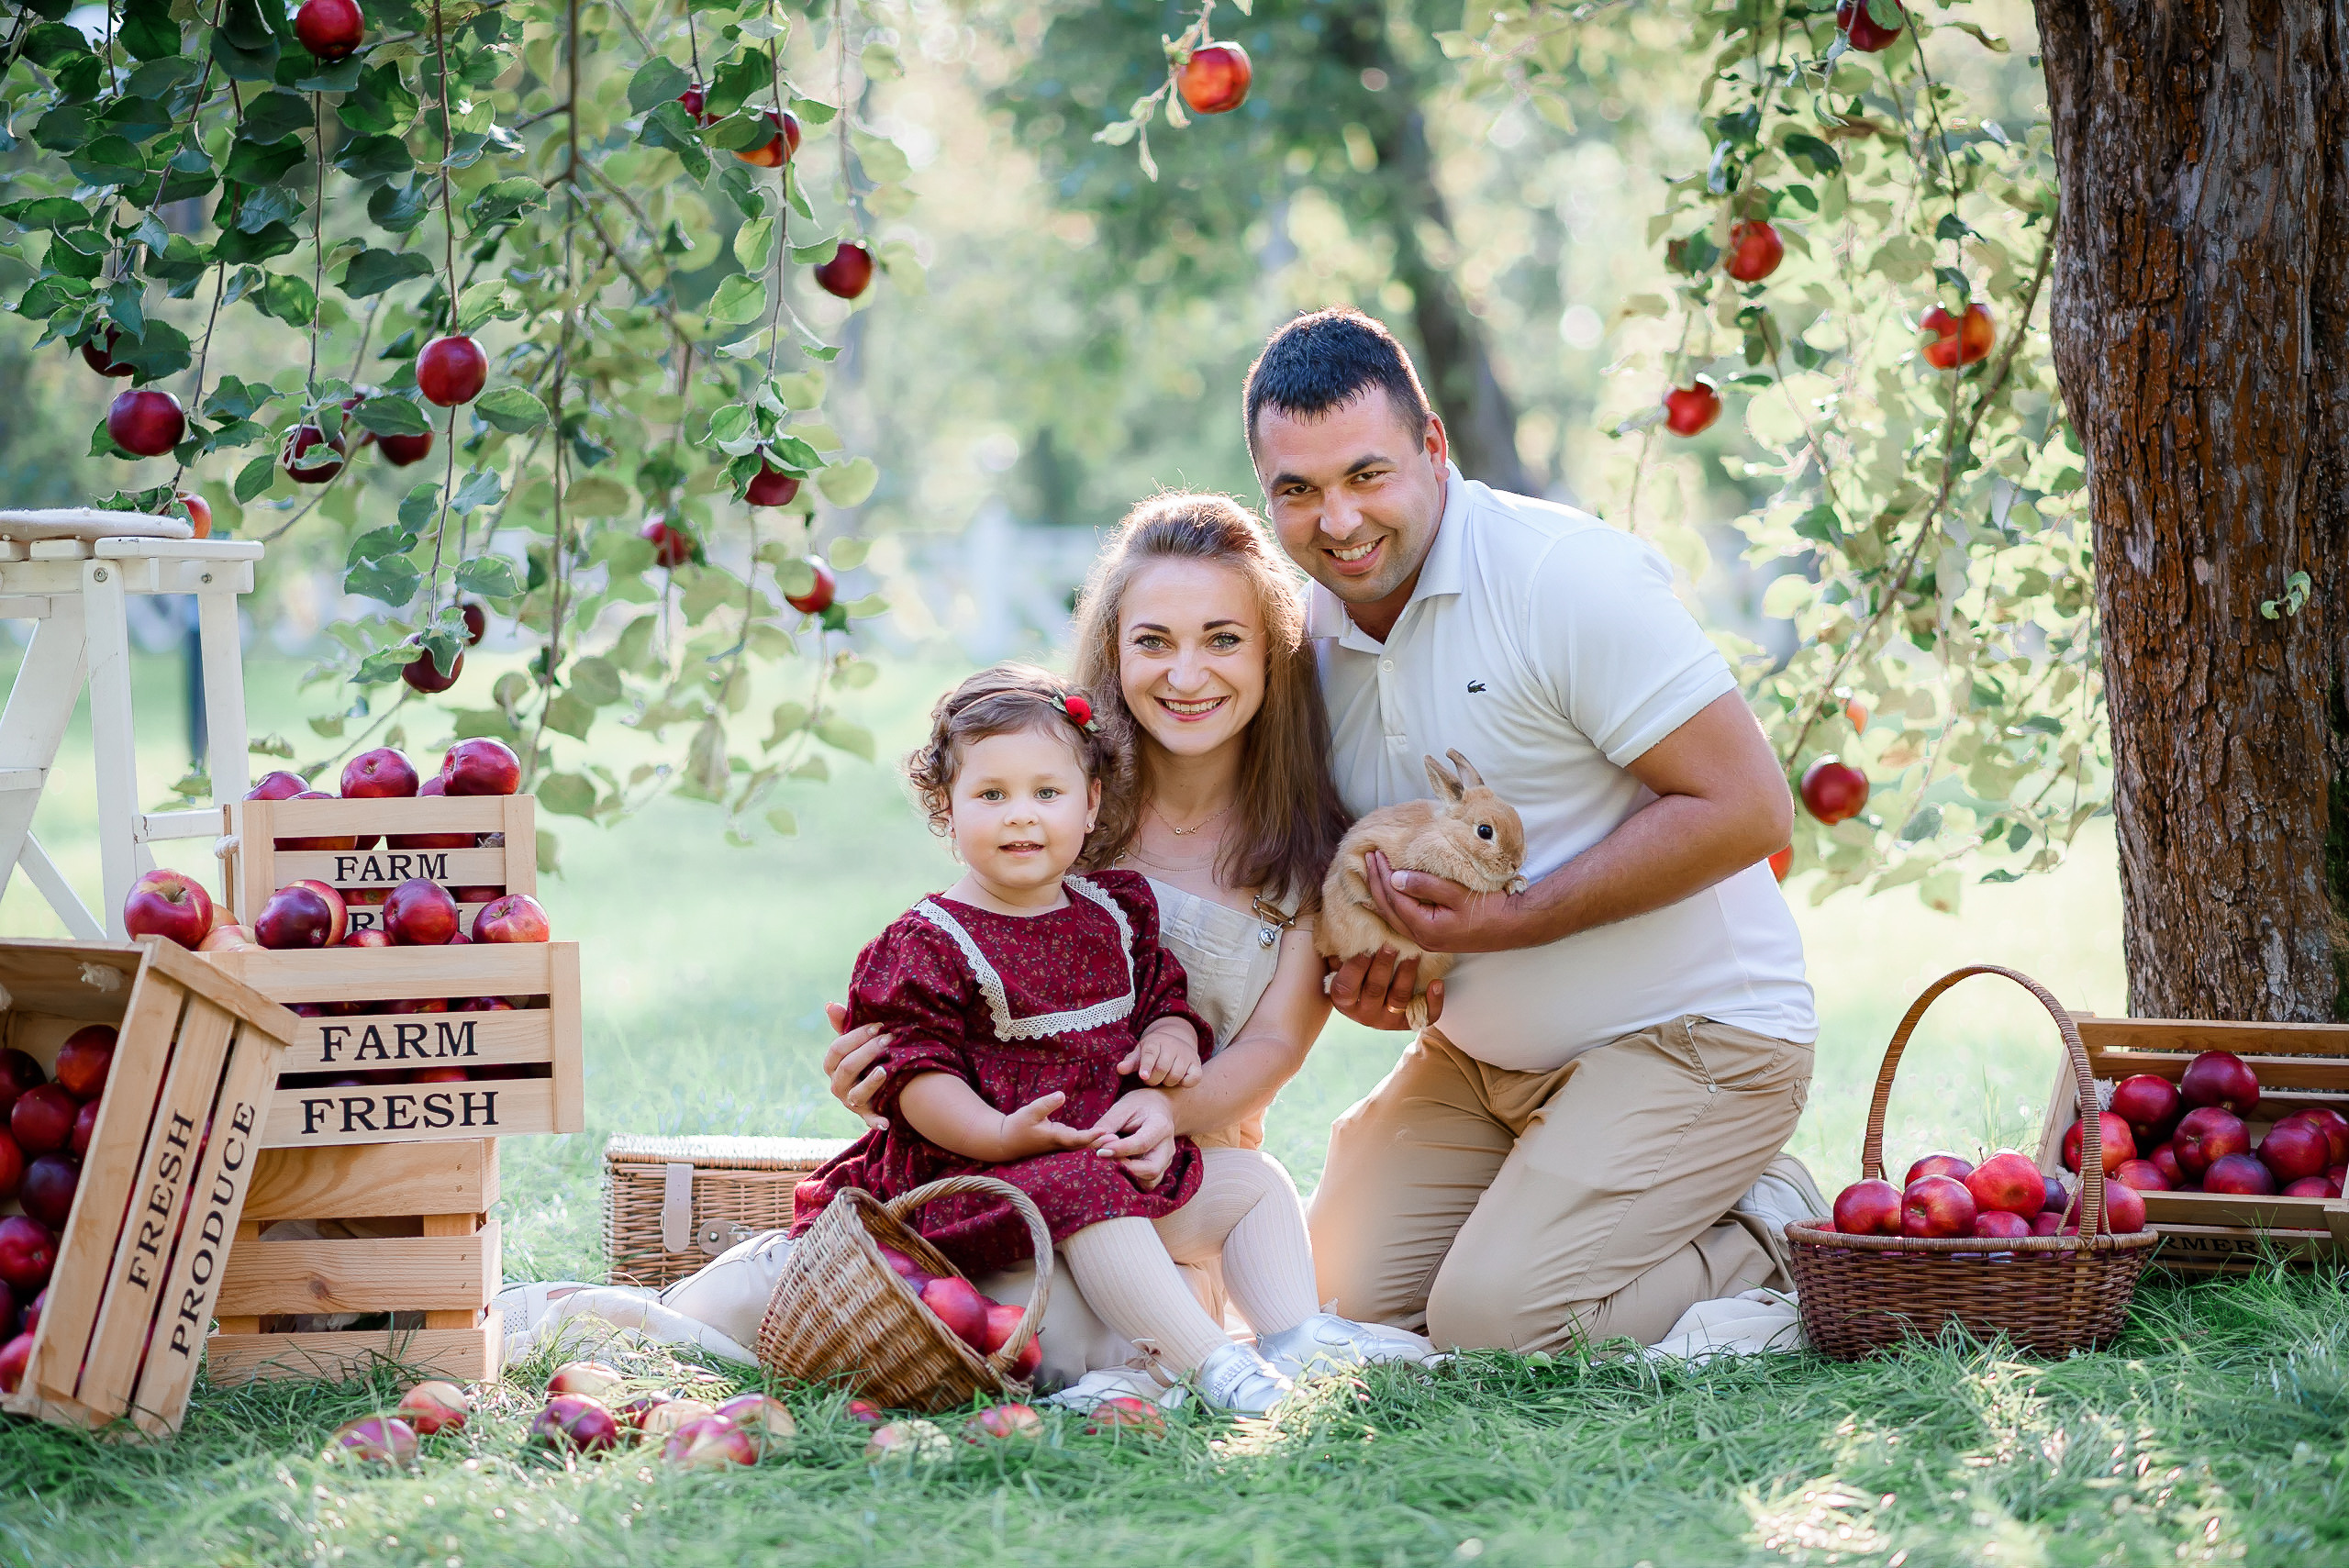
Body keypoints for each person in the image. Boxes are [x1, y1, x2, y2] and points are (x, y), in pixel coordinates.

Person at [1241, 306, 1823, 1351]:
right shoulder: (1306, 639)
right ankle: (1588, 1201)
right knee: (1323, 1299)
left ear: (1433, 447)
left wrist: (1513, 922)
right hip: (1477, 1061)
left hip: (1695, 1038)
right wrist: (1371, 975)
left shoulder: (1560, 576)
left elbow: (1749, 806)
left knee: (1495, 1324)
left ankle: (1774, 1230)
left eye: (1367, 474)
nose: (1337, 519)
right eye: (1298, 490)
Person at [785, 662, 1323, 1414]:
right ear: (946, 808)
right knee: (1089, 1190)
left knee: (1254, 1181)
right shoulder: (929, 941)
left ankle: (1301, 1340)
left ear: (1091, 801)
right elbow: (918, 1076)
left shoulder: (1113, 913)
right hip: (987, 1184)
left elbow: (1162, 995)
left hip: (1110, 1165)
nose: (1021, 816)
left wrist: (1171, 1034)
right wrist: (998, 1133)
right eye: (991, 795)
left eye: (1047, 793)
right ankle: (1216, 1367)